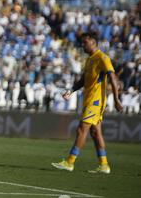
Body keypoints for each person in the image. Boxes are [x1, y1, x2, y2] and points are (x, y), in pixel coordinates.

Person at [52, 32, 123, 174]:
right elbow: (83, 80)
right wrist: (71, 90)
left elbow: (113, 77)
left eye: (85, 42)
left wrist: (116, 99)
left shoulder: (102, 58)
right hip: (89, 100)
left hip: (95, 102)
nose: (82, 45)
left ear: (93, 42)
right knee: (95, 133)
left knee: (81, 130)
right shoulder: (90, 59)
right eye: (82, 42)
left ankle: (70, 162)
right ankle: (104, 165)